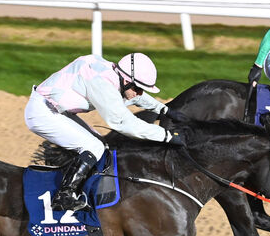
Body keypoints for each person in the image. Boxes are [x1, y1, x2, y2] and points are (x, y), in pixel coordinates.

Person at [26, 52, 185, 212]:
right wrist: (167, 136)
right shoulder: (101, 83)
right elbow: (125, 123)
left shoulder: (114, 75)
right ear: (126, 80)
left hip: (55, 110)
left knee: (101, 145)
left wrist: (165, 110)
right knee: (94, 147)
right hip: (42, 113)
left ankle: (76, 185)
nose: (139, 93)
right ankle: (63, 196)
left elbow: (134, 97)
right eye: (138, 88)